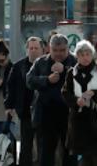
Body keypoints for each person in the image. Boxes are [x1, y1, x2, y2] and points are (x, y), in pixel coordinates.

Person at [26, 34, 77, 166]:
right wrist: (46, 80)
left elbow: (84, 80)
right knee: (46, 152)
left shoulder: (75, 62)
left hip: (69, 113)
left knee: (70, 152)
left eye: (62, 50)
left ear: (68, 49)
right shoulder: (41, 62)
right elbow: (29, 80)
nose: (58, 54)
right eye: (55, 50)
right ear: (49, 48)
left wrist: (66, 71)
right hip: (46, 113)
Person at [62, 40, 97, 166]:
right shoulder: (71, 73)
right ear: (77, 56)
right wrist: (76, 101)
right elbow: (65, 93)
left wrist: (95, 93)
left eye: (88, 54)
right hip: (79, 123)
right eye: (81, 54)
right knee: (84, 159)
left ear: (92, 55)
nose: (85, 57)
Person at [5, 36, 44, 166]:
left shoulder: (47, 64)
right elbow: (11, 87)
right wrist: (9, 106)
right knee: (26, 144)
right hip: (25, 111)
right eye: (30, 48)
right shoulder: (18, 66)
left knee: (42, 144)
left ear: (42, 49)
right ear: (26, 49)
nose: (33, 50)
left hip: (43, 111)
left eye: (36, 48)